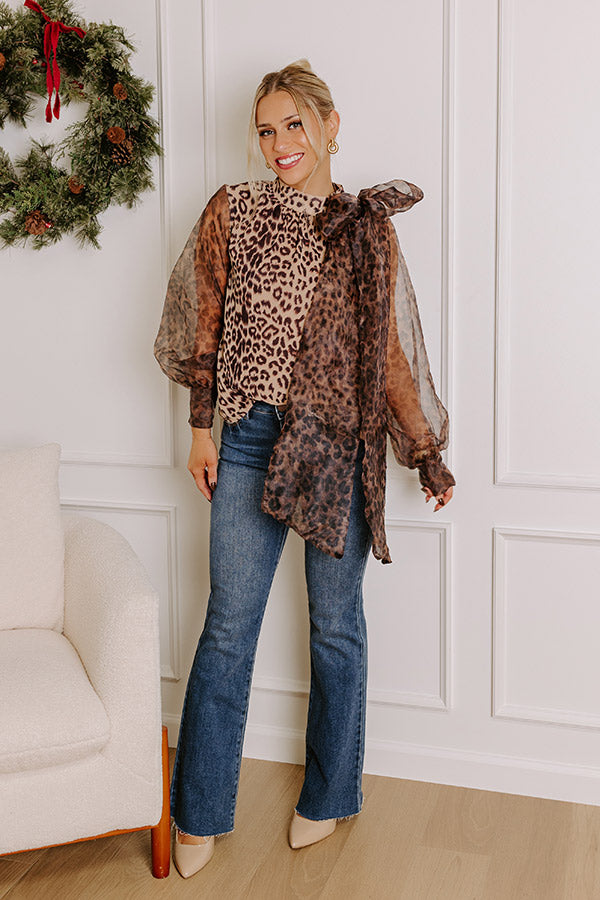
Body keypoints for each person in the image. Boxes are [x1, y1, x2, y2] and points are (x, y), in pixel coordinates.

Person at [154, 59, 455, 879]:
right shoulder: (236, 209)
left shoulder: (366, 228)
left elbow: (391, 356)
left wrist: (425, 451)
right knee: (228, 626)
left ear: (329, 126)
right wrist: (201, 431)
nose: (280, 142)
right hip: (249, 437)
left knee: (334, 625)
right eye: (266, 129)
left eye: (294, 124)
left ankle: (329, 794)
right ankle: (199, 808)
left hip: (337, 448)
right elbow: (204, 323)